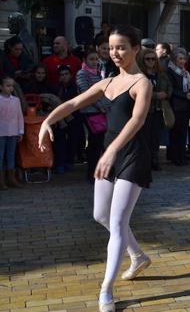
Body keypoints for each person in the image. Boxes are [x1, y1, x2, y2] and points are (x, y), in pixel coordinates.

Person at [38, 25, 153, 312]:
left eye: (122, 47)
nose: (115, 53)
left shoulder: (142, 83)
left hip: (132, 156)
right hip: (109, 155)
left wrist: (112, 151)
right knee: (100, 215)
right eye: (112, 48)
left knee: (116, 223)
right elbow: (74, 103)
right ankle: (137, 255)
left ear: (136, 48)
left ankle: (106, 290)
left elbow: (136, 121)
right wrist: (46, 121)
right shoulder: (107, 83)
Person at [77, 51, 110, 183]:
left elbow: (103, 91)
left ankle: (101, 171)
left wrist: (106, 106)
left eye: (96, 59)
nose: (94, 62)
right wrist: (100, 106)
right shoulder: (82, 74)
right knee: (95, 144)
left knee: (101, 142)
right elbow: (87, 93)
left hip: (102, 111)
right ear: (85, 60)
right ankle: (92, 173)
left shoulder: (98, 72)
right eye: (91, 59)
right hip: (90, 112)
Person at [138, 49, 172, 170]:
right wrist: (155, 95)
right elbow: (138, 92)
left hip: (159, 109)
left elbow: (169, 86)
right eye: (148, 59)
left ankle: (154, 160)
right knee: (145, 137)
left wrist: (166, 94)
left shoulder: (160, 73)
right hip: (145, 110)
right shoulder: (139, 74)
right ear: (143, 60)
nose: (151, 61)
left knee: (155, 137)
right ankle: (145, 162)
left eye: (153, 59)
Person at [53, 65, 82, 173]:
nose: (64, 77)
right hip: (61, 120)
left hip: (74, 117)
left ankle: (69, 162)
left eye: (66, 74)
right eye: (62, 75)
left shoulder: (75, 87)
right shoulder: (56, 88)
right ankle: (60, 163)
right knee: (60, 141)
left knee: (73, 140)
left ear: (70, 75)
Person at [167, 48, 190, 166]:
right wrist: (184, 95)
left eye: (184, 59)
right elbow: (171, 89)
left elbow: (189, 87)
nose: (182, 61)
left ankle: (182, 156)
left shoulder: (185, 72)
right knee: (176, 132)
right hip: (175, 105)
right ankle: (175, 157)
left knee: (183, 132)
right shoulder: (171, 71)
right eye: (180, 58)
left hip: (185, 106)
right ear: (174, 59)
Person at [0, 76, 24, 190]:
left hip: (13, 131)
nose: (10, 88)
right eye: (7, 85)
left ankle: (11, 179)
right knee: (0, 156)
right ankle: (1, 181)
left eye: (12, 86)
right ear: (1, 87)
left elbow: (20, 116)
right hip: (1, 132)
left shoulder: (16, 100)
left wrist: (20, 131)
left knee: (11, 155)